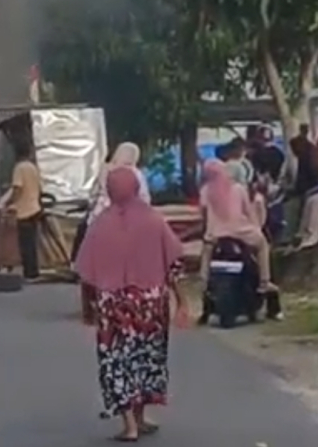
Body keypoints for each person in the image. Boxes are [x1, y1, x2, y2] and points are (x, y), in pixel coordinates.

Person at [76, 167, 187, 442]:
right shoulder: (153, 220)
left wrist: (88, 309)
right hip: (150, 305)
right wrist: (182, 300)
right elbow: (173, 265)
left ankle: (130, 425)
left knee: (118, 362)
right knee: (146, 358)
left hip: (113, 307)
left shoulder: (100, 225)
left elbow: (86, 274)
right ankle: (141, 417)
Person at [198, 159, 277, 291]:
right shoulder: (238, 188)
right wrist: (256, 227)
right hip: (240, 231)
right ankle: (264, 281)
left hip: (215, 233)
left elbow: (203, 213)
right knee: (263, 245)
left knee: (206, 253)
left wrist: (208, 230)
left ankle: (204, 281)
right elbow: (248, 212)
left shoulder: (205, 190)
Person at [3, 136, 42, 281]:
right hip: (35, 208)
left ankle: (29, 273)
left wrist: (8, 203)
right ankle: (34, 271)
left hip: (24, 210)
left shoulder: (19, 168)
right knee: (32, 242)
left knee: (25, 244)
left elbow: (17, 189)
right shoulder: (32, 167)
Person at [87, 142, 151, 224]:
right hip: (131, 220)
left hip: (101, 217)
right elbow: (145, 199)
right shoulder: (136, 174)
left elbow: (93, 196)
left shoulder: (104, 170)